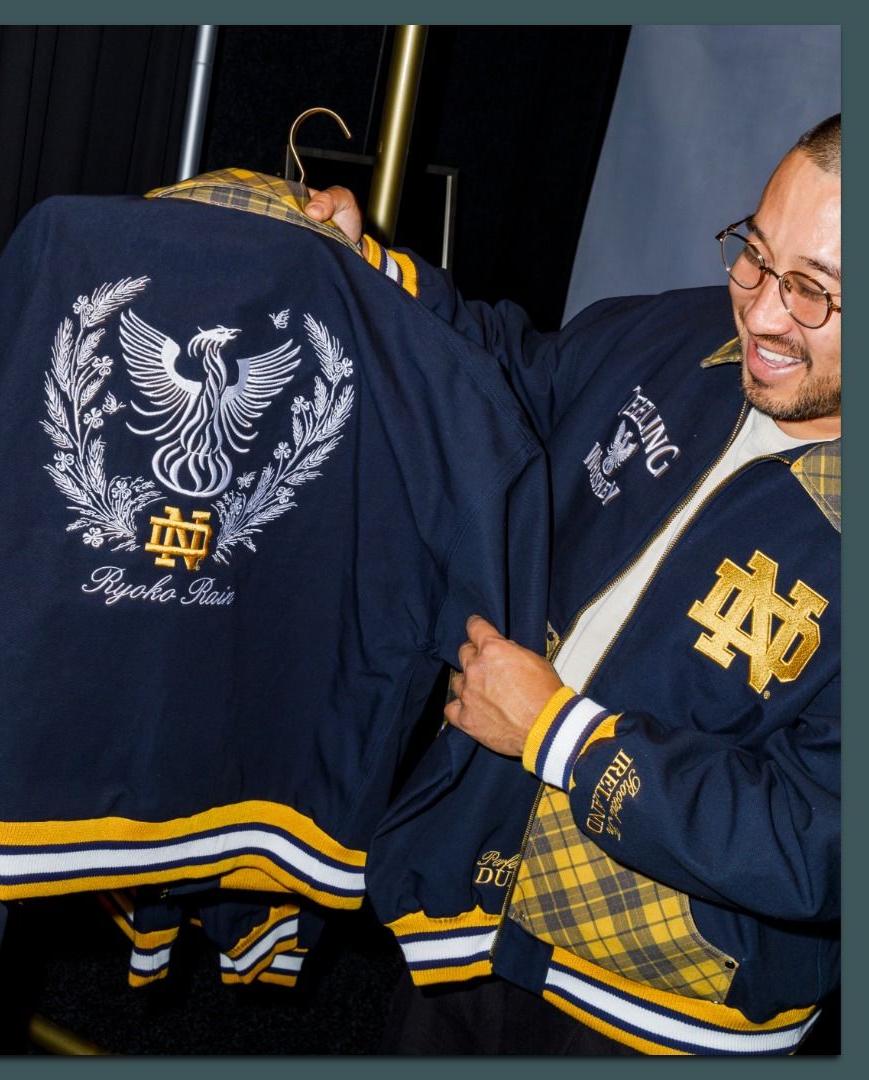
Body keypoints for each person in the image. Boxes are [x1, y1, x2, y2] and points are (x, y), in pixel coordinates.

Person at [307, 115, 839, 1054]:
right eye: (754, 256)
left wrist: (560, 735)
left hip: (660, 1007)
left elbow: (819, 845)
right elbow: (510, 374)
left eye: (813, 292)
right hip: (467, 904)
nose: (759, 312)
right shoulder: (679, 340)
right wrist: (375, 275)